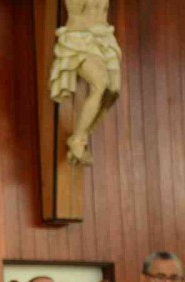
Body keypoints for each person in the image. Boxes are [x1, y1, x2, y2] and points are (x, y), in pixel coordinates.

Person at [49, 0, 122, 165]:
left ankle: (81, 135)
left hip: (105, 37)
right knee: (100, 84)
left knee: (113, 91)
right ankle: (77, 140)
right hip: (80, 37)